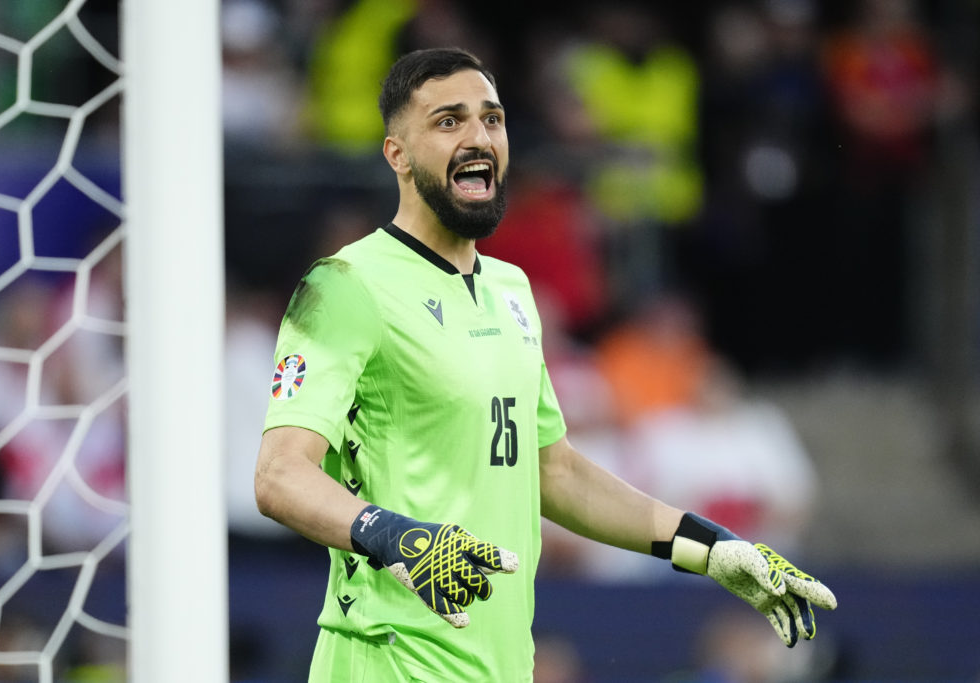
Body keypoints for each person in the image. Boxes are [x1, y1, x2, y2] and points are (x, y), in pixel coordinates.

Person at [253, 47, 837, 682]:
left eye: (492, 118)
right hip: (387, 661)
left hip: (499, 666)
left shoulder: (511, 290)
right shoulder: (348, 285)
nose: (478, 136)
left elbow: (553, 471)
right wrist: (392, 533)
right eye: (449, 121)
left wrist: (714, 547)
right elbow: (280, 475)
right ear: (397, 153)